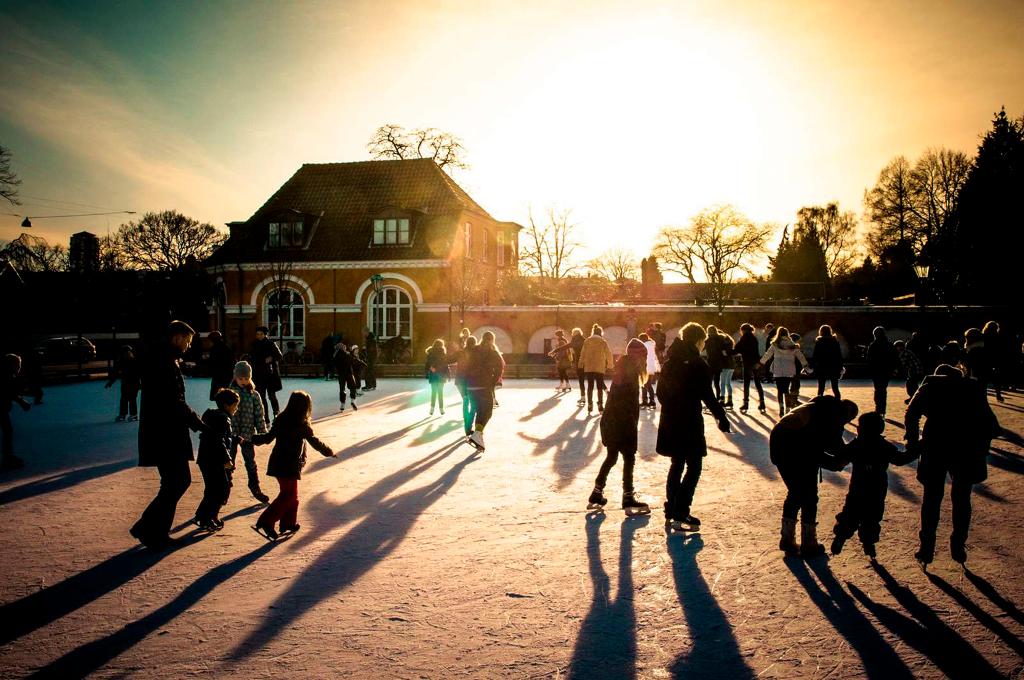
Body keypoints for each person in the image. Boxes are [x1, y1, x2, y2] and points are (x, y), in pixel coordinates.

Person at [905, 364, 999, 566]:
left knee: (931, 498)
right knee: (962, 498)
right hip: (965, 446)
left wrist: (913, 442)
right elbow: (989, 422)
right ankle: (958, 544)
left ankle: (927, 547)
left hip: (935, 443)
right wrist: (982, 447)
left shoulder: (930, 385)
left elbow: (911, 413)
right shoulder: (972, 388)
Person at [130, 321, 208, 549]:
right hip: (165, 432)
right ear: (176, 337)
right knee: (177, 481)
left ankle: (149, 529)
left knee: (174, 482)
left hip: (163, 430)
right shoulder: (163, 362)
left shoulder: (163, 358)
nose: (188, 345)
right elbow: (173, 401)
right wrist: (197, 423)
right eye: (187, 340)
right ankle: (152, 532)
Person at [656, 323, 730, 531]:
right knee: (694, 466)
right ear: (698, 341)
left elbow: (660, 393)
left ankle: (672, 510)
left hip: (671, 420)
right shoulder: (698, 364)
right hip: (689, 421)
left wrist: (673, 406)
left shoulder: (670, 362)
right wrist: (721, 417)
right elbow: (707, 395)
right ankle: (681, 511)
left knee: (677, 464)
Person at [769, 395, 858, 557]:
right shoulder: (832, 415)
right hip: (797, 449)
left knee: (796, 493)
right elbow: (824, 449)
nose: (844, 424)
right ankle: (809, 542)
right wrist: (843, 459)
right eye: (848, 420)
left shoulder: (818, 408)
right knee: (809, 496)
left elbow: (823, 446)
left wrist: (838, 459)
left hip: (779, 446)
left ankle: (787, 539)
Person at [830, 412, 917, 558]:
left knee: (850, 514)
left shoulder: (856, 444)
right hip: (877, 490)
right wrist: (916, 449)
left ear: (860, 429)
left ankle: (841, 537)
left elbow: (841, 456)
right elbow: (900, 459)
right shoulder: (883, 446)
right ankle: (868, 543)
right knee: (872, 518)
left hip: (857, 488)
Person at [251, 391, 335, 541]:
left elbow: (268, 438)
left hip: (278, 462)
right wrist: (329, 451)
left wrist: (252, 439)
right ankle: (266, 521)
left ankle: (288, 523)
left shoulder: (281, 419)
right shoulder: (302, 425)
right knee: (287, 495)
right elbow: (315, 443)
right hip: (288, 465)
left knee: (292, 495)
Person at [588, 339, 651, 513]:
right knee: (628, 458)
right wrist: (630, 424)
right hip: (622, 422)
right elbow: (625, 402)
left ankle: (596, 492)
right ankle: (628, 496)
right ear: (639, 356)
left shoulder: (623, 366)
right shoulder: (630, 371)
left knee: (612, 457)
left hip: (612, 420)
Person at [193, 388, 240, 531]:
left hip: (206, 459)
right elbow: (218, 440)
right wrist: (226, 459)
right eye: (235, 406)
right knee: (220, 489)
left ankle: (207, 515)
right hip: (215, 460)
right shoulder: (222, 419)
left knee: (214, 488)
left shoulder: (214, 418)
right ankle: (206, 517)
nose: (236, 409)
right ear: (227, 405)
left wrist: (236, 439)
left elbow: (221, 438)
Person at [229, 360, 270, 503]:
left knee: (250, 462)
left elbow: (259, 415)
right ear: (235, 377)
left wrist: (262, 433)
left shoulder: (254, 395)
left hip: (247, 435)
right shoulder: (230, 393)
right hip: (231, 435)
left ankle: (255, 487)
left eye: (246, 378)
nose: (244, 381)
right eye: (241, 378)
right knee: (228, 462)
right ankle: (224, 487)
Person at [463, 331, 505, 451]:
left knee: (479, 411)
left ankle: (478, 437)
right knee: (487, 412)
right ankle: (477, 434)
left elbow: (465, 366)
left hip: (471, 386)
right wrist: (492, 382)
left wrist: (465, 384)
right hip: (483, 387)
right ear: (492, 340)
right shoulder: (493, 352)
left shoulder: (473, 349)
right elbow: (500, 368)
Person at [758, 326, 808, 417]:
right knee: (786, 389)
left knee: (780, 390)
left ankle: (781, 407)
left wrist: (760, 363)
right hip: (789, 370)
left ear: (778, 334)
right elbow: (801, 357)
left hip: (777, 370)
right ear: (787, 334)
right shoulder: (793, 345)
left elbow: (767, 355)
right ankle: (788, 408)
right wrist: (807, 367)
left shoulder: (774, 344)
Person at [1, 354, 31, 472]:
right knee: (7, 431)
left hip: (3, 408)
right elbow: (8, 392)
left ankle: (8, 456)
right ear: (11, 365)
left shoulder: (7, 375)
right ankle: (7, 457)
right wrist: (22, 402)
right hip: (1, 408)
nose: (19, 368)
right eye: (18, 365)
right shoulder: (6, 376)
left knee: (8, 431)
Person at [250, 326, 283, 425]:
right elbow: (252, 357)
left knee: (272, 396)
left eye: (261, 334)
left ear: (265, 334)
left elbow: (279, 355)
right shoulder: (254, 344)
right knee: (261, 397)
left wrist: (272, 358)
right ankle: (266, 418)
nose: (259, 336)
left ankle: (276, 414)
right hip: (258, 375)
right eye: (257, 334)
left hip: (270, 375)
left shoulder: (270, 344)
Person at [579, 324, 614, 415]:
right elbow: (608, 353)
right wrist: (610, 365)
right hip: (600, 366)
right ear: (600, 333)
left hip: (589, 366)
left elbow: (583, 353)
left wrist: (581, 364)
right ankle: (600, 405)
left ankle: (590, 404)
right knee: (599, 386)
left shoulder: (587, 341)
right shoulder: (603, 341)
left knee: (590, 386)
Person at [866, 326, 897, 418]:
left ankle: (878, 408)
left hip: (876, 371)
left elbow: (869, 359)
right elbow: (895, 358)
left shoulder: (873, 345)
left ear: (875, 335)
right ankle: (882, 409)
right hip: (887, 371)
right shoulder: (889, 345)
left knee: (878, 389)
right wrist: (893, 369)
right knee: (883, 389)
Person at [735, 323, 766, 414]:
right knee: (758, 383)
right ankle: (762, 403)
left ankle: (746, 404)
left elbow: (737, 348)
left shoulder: (744, 337)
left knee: (746, 384)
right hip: (755, 362)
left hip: (747, 363)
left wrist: (729, 351)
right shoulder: (754, 338)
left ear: (743, 330)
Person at [105, 344, 141, 422]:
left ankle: (134, 414)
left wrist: (140, 384)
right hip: (126, 383)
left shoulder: (134, 361)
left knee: (132, 399)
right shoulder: (121, 362)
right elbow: (116, 373)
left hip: (134, 383)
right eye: (125, 352)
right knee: (124, 399)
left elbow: (140, 373)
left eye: (128, 352)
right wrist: (111, 382)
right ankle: (123, 414)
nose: (127, 354)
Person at [812, 325, 843, 398]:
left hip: (822, 367)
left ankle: (819, 404)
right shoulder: (835, 341)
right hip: (834, 367)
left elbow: (815, 356)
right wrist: (840, 367)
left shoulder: (819, 342)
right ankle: (838, 403)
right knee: (835, 388)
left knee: (821, 388)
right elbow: (839, 356)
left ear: (821, 332)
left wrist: (813, 366)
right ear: (830, 331)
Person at [207, 331, 235, 401]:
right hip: (227, 375)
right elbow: (232, 361)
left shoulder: (214, 349)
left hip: (218, 376)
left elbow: (212, 363)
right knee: (225, 395)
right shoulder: (226, 347)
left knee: (218, 395)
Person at [962, 327, 992, 396]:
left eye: (967, 337)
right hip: (984, 374)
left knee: (978, 395)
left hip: (975, 376)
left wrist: (968, 375)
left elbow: (970, 364)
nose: (966, 339)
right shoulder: (983, 347)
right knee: (982, 394)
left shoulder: (973, 349)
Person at [894, 340, 925, 404]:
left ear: (900, 347)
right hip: (915, 370)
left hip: (915, 370)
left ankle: (915, 399)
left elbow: (902, 365)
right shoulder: (906, 352)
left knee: (910, 385)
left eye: (897, 347)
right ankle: (915, 397)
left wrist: (895, 372)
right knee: (913, 385)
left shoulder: (904, 353)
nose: (897, 349)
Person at [425, 339, 449, 416]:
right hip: (441, 375)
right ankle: (441, 409)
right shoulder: (443, 353)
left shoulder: (430, 353)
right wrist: (448, 375)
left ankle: (432, 409)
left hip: (433, 374)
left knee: (433, 392)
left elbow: (427, 364)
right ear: (441, 345)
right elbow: (446, 365)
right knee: (440, 392)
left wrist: (429, 369)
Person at [982, 321, 1005, 402]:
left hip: (986, 360)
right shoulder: (997, 337)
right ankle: (998, 394)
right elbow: (1000, 350)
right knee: (996, 379)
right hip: (995, 360)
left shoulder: (983, 336)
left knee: (984, 379)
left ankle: (984, 396)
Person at [333, 342, 359, 412]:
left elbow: (334, 365)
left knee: (342, 389)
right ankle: (353, 401)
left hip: (341, 374)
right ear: (342, 348)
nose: (345, 347)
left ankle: (342, 404)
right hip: (349, 373)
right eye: (344, 346)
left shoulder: (335, 355)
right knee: (352, 387)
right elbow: (353, 361)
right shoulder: (347, 354)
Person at [638, 332, 660, 409]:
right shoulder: (652, 345)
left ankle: (648, 401)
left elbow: (641, 357)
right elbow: (655, 357)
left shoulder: (643, 346)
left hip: (645, 367)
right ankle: (650, 401)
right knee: (647, 384)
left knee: (645, 385)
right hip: (651, 367)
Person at [718, 330, 736, 409]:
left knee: (722, 383)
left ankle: (722, 400)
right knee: (728, 383)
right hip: (732, 366)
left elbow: (724, 355)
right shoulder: (730, 344)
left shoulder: (723, 345)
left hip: (725, 366)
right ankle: (730, 400)